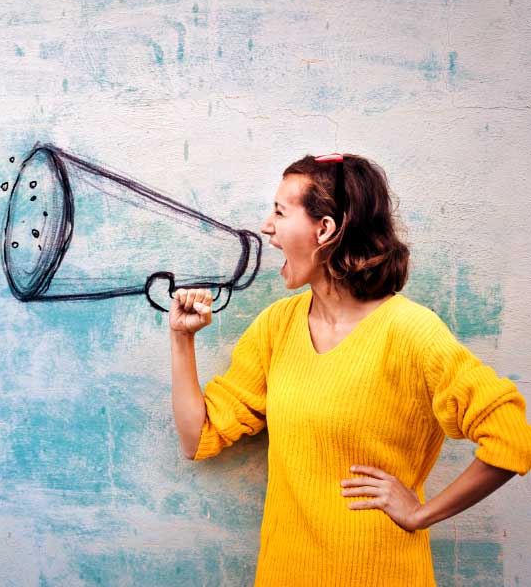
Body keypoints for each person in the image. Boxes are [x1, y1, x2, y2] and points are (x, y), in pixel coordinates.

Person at [169, 153, 531, 586]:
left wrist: (419, 514)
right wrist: (181, 339)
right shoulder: (276, 326)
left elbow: (511, 439)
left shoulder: (411, 331)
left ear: (324, 229)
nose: (267, 227)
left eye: (280, 212)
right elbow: (198, 436)